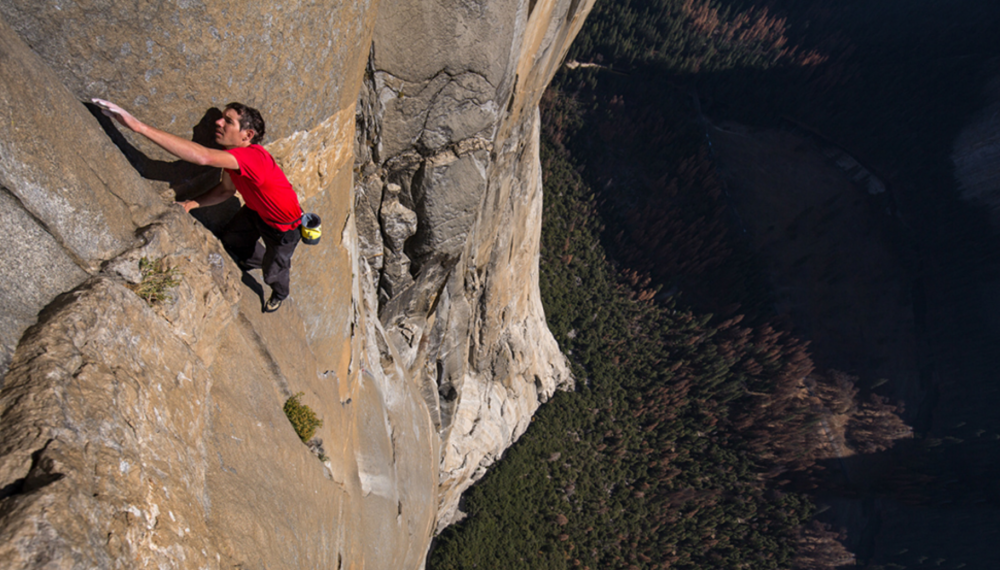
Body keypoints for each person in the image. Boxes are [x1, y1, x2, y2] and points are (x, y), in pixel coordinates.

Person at [95, 99, 302, 313]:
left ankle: (279, 292)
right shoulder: (232, 158)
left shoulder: (253, 158)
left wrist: (139, 127)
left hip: (283, 227)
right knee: (232, 240)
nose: (219, 122)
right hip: (255, 210)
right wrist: (190, 204)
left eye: (228, 121)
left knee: (273, 272)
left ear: (247, 135)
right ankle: (259, 260)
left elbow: (203, 157)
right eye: (222, 117)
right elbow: (226, 191)